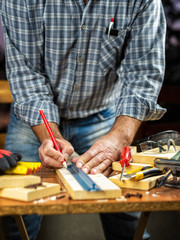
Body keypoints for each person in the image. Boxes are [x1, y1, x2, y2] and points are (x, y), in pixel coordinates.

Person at [1, 0, 166, 239]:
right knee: (16, 218)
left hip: (105, 117)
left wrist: (118, 137)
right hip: (34, 122)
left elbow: (143, 74)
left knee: (127, 215)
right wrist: (50, 137)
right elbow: (27, 75)